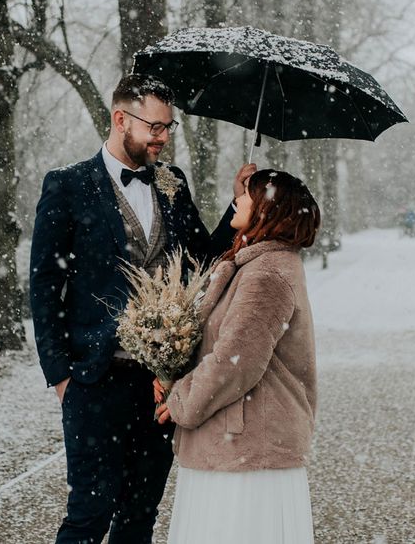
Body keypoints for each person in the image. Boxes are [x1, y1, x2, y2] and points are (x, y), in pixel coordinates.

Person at [29, 74, 254, 544]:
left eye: (169, 127)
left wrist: (240, 202)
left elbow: (200, 261)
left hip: (159, 385)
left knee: (139, 515)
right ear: (120, 119)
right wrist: (61, 377)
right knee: (88, 515)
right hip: (94, 379)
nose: (163, 137)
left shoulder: (172, 183)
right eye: (155, 127)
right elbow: (44, 286)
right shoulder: (67, 187)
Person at [155, 169, 320, 544]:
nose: (240, 200)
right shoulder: (254, 265)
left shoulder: (266, 274)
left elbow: (236, 362)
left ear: (266, 209)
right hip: (233, 446)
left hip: (246, 452)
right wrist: (169, 370)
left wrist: (180, 399)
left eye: (247, 195)